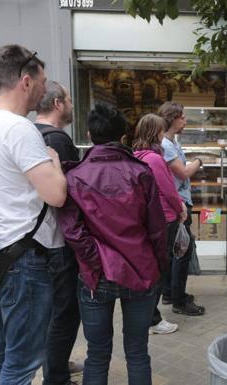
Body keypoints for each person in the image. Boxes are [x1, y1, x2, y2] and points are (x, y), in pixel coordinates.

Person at [0, 44, 67, 385]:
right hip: (25, 261)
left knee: (2, 349)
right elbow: (56, 194)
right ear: (26, 81)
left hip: (0, 255)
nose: (44, 88)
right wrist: (54, 161)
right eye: (43, 80)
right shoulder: (18, 130)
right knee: (23, 362)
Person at [58, 102, 167, 385]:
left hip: (96, 276)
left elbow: (73, 232)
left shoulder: (74, 176)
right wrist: (158, 269)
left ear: (90, 135)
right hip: (140, 271)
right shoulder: (140, 172)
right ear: (123, 137)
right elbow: (157, 229)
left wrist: (94, 260)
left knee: (98, 353)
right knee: (137, 351)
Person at [34, 81, 82, 385]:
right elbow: (71, 195)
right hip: (58, 239)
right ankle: (57, 376)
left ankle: (57, 364)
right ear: (57, 104)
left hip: (35, 239)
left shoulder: (29, 134)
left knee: (52, 311)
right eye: (69, 100)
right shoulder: (58, 140)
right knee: (66, 312)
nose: (72, 106)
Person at [133, 113, 187, 334]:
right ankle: (152, 320)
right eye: (161, 130)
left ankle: (147, 315)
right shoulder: (154, 159)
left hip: (148, 218)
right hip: (164, 218)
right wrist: (180, 208)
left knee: (151, 268)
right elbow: (168, 189)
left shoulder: (136, 154)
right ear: (155, 132)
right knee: (159, 269)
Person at [158, 102, 205, 316]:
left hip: (178, 203)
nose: (185, 121)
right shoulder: (166, 146)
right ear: (172, 118)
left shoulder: (170, 142)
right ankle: (178, 300)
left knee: (173, 252)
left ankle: (170, 292)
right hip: (177, 207)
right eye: (182, 117)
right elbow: (183, 173)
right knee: (182, 252)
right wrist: (199, 161)